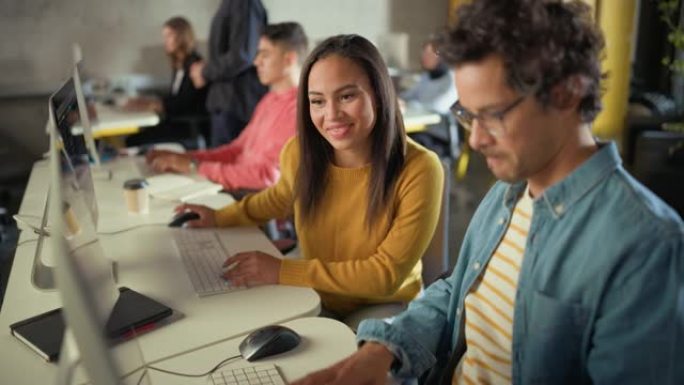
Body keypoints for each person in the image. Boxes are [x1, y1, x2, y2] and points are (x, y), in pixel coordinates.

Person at [292, 1, 684, 384]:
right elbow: (453, 291)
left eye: (494, 115)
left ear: (567, 93)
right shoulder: (509, 192)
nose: (476, 140)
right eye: (468, 115)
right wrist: (382, 350)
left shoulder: (645, 243)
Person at [175, 34, 445, 318]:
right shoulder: (299, 151)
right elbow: (278, 199)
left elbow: (385, 274)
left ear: (379, 94)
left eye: (347, 96)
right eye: (317, 101)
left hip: (382, 304)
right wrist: (219, 217)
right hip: (315, 291)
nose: (332, 115)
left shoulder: (420, 167)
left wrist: (282, 270)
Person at [145, 22, 308, 191]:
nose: (256, 61)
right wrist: (184, 158)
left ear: (289, 59)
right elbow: (236, 151)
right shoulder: (269, 100)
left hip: (254, 203)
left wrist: (194, 166)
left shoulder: (296, 111)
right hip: (240, 190)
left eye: (265, 54)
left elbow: (265, 177)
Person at [190, 0, 268, 147]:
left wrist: (204, 71)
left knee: (231, 164)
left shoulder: (244, 3)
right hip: (226, 103)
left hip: (235, 105)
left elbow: (242, 56)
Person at [124, 16, 207, 147]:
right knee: (137, 135)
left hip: (187, 127)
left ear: (181, 37)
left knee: (133, 140)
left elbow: (185, 103)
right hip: (176, 122)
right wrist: (147, 102)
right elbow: (175, 97)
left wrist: (154, 104)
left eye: (169, 36)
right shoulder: (179, 64)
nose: (165, 41)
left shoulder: (194, 64)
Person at [400, 40, 458, 115]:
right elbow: (409, 95)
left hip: (441, 123)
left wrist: (410, 105)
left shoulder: (452, 79)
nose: (424, 57)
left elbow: (439, 106)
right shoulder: (426, 76)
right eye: (424, 53)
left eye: (429, 54)